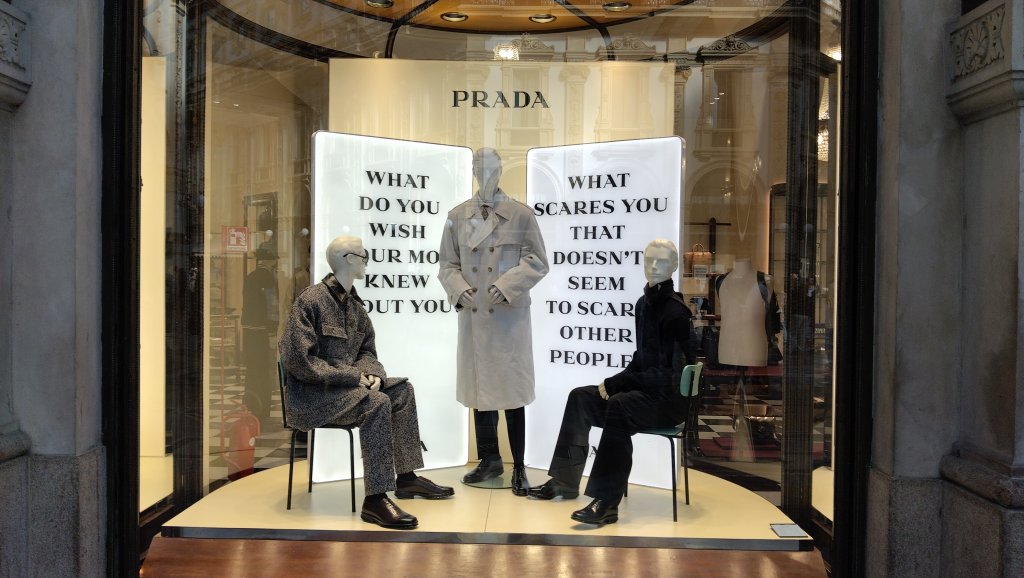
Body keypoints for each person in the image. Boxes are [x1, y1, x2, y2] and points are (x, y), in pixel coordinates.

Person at [279, 235, 454, 529]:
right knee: (377, 402)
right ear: (348, 259)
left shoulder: (356, 308)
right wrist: (354, 377)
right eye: (364, 255)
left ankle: (407, 477)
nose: (367, 261)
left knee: (401, 391)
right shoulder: (311, 301)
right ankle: (375, 498)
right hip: (312, 397)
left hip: (346, 392)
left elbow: (367, 350)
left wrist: (372, 374)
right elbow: (299, 361)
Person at [527, 239, 696, 525]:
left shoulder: (676, 314)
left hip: (668, 402)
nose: (653, 266)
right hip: (646, 394)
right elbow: (642, 360)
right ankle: (565, 481)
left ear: (675, 266)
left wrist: (621, 383)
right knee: (581, 397)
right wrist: (620, 380)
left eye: (662, 262)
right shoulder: (644, 304)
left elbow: (671, 376)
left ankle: (606, 502)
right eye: (649, 260)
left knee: (619, 405)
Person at [438, 148, 549, 496]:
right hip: (474, 316)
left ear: (501, 170)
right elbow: (447, 265)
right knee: (479, 392)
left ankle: (519, 467)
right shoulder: (457, 216)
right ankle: (489, 460)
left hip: (507, 320)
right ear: (472, 170)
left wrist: (507, 285)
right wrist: (459, 289)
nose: (485, 173)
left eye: (491, 167)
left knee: (513, 395)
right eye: (479, 167)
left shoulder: (520, 215)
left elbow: (538, 261)